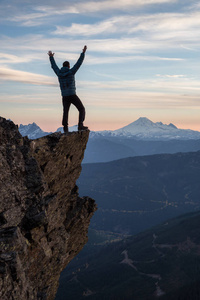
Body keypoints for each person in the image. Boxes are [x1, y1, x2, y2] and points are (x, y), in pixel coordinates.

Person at [48, 46, 88, 133]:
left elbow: (54, 66)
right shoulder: (71, 72)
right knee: (81, 109)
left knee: (65, 111)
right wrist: (83, 53)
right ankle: (80, 125)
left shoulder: (59, 73)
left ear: (63, 66)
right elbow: (79, 63)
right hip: (72, 95)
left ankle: (65, 128)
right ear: (69, 66)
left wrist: (51, 57)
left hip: (64, 96)